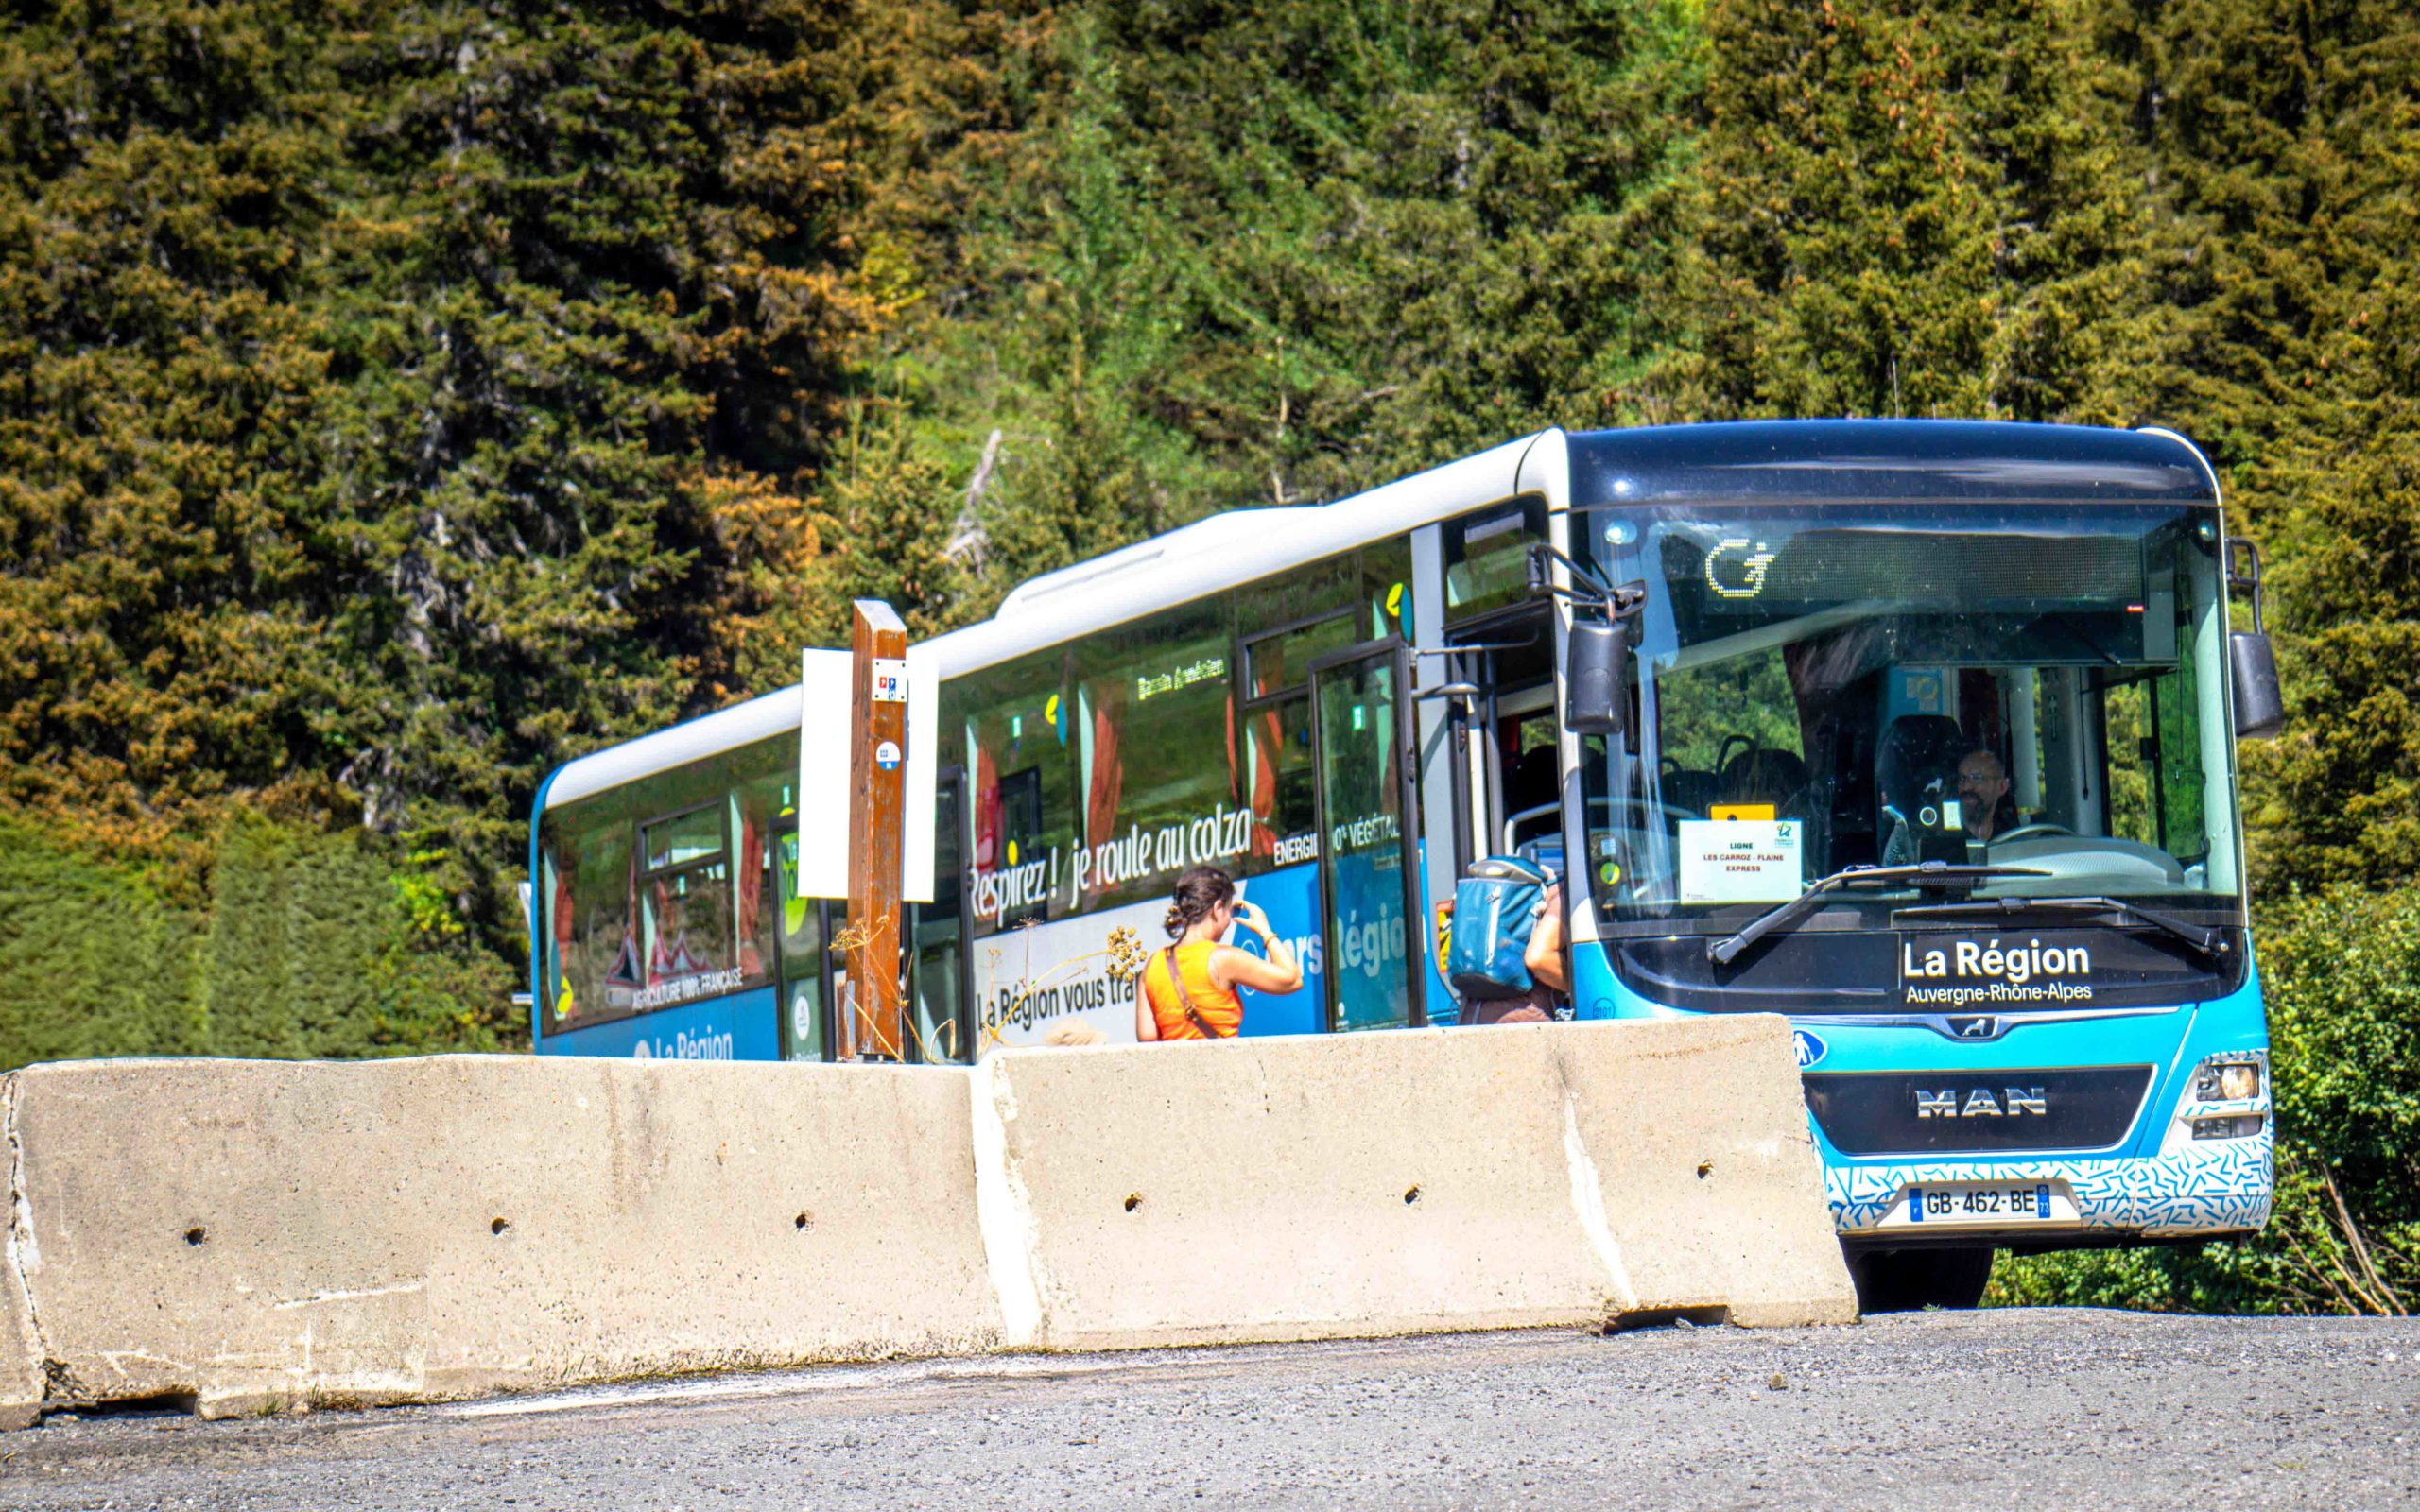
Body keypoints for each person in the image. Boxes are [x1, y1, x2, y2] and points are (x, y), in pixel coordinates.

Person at [1136, 866, 1304, 1040]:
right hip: (1224, 1065)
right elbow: (1292, 980)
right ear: (1217, 909)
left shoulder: (1152, 966)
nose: (1230, 920)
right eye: (1231, 910)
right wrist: (1265, 930)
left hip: (1176, 1067)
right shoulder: (1222, 959)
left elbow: (1147, 1039)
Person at [1954, 748, 2021, 845]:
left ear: (2002, 787)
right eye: (1962, 778)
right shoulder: (1945, 832)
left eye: (1976, 778)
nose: (1966, 787)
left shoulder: (2008, 827)